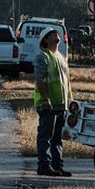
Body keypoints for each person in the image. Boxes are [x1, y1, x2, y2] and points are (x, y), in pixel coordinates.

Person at [33, 29, 73, 177]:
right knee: (46, 137)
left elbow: (66, 82)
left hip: (61, 104)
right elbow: (40, 80)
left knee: (57, 138)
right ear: (45, 40)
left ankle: (57, 166)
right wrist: (45, 99)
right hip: (47, 104)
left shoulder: (60, 58)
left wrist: (70, 101)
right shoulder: (42, 56)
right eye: (53, 34)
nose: (57, 36)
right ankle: (44, 166)